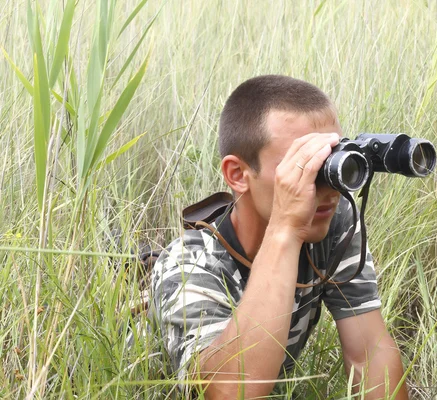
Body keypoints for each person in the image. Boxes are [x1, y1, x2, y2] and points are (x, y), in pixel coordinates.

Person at [149, 75, 408, 399]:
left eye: (332, 162)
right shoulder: (189, 264)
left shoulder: (332, 224)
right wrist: (286, 229)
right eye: (303, 168)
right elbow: (229, 393)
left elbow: (370, 354)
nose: (330, 190)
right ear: (238, 174)